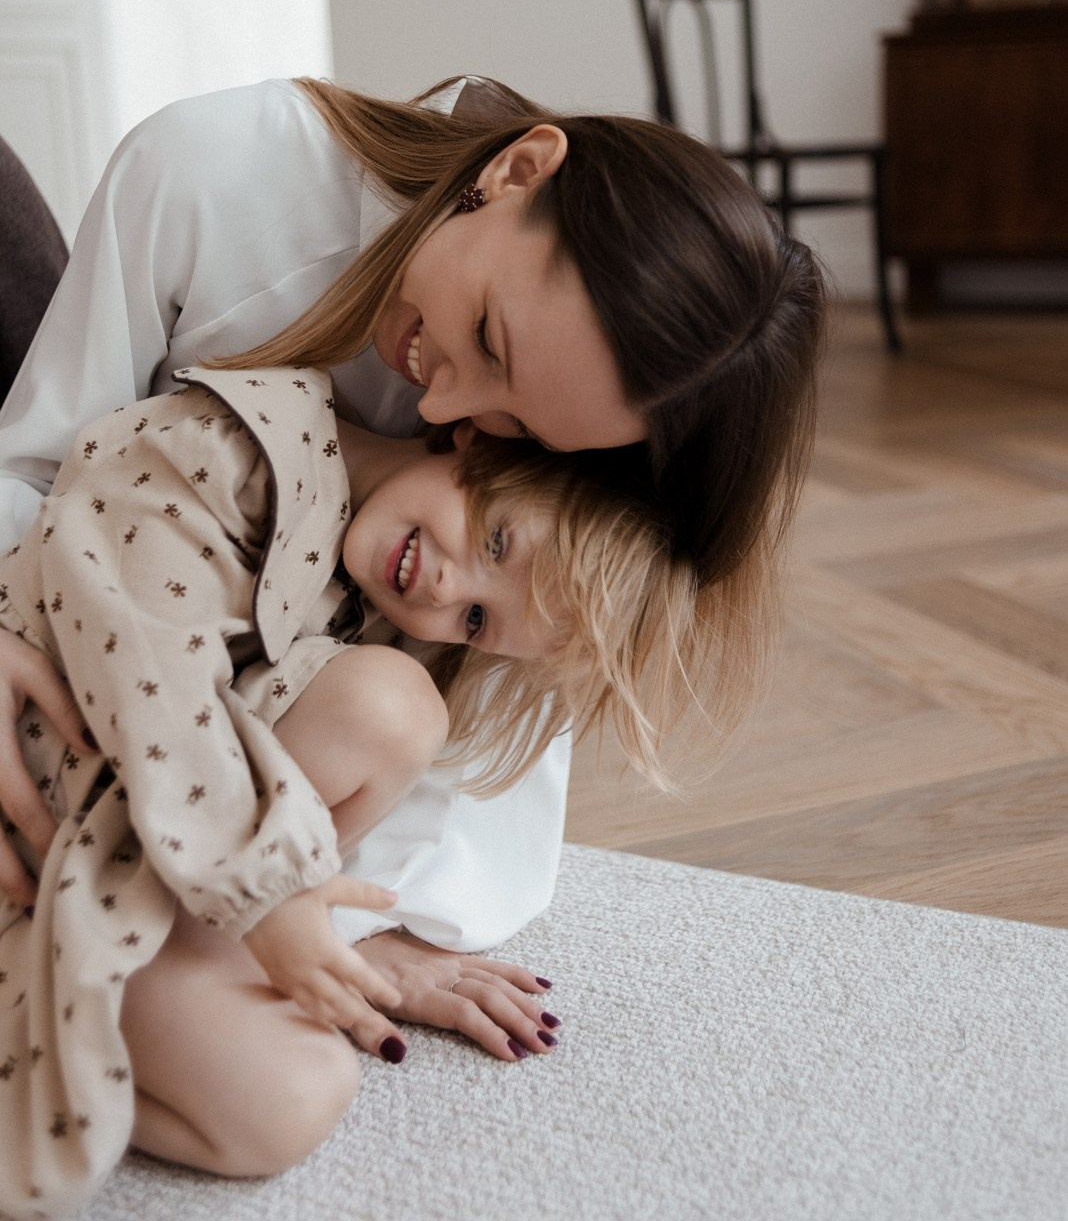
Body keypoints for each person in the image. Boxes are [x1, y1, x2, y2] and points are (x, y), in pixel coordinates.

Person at [0, 74, 825, 1073]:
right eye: (486, 335)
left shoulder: (541, 470)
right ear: (518, 170)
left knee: (274, 1083)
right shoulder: (213, 170)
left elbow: (478, 682)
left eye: (515, 424)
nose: (449, 406)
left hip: (209, 756)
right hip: (73, 620)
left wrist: (372, 923)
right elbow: (43, 468)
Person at [0, 359, 695, 1217]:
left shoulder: (370, 606)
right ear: (475, 442)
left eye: (477, 619)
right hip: (41, 811)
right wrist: (271, 897)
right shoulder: (231, 444)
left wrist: (327, 933)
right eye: (496, 543)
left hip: (124, 878)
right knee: (392, 707)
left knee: (299, 1097)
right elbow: (152, 681)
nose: (448, 590)